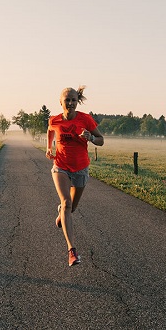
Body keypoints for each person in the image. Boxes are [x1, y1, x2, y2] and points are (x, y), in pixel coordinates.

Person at [46, 86, 104, 266]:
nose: (70, 103)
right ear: (60, 102)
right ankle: (72, 251)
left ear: (77, 101)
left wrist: (90, 138)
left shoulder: (85, 119)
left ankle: (62, 215)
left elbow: (101, 140)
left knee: (72, 208)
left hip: (80, 168)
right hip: (61, 166)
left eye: (73, 100)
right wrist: (49, 147)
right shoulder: (54, 120)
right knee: (66, 203)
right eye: (67, 100)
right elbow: (50, 131)